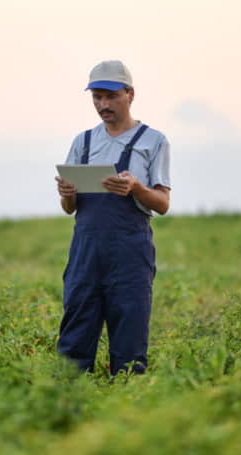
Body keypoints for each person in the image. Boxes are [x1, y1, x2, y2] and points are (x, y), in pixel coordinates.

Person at [54, 60, 172, 375]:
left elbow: (162, 203)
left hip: (130, 255)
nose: (103, 105)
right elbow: (70, 208)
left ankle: (128, 413)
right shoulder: (84, 142)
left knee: (130, 348)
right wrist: (66, 193)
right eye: (97, 98)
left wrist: (135, 187)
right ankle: (68, 410)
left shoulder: (153, 141)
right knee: (74, 344)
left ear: (130, 94)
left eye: (110, 97)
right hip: (86, 255)